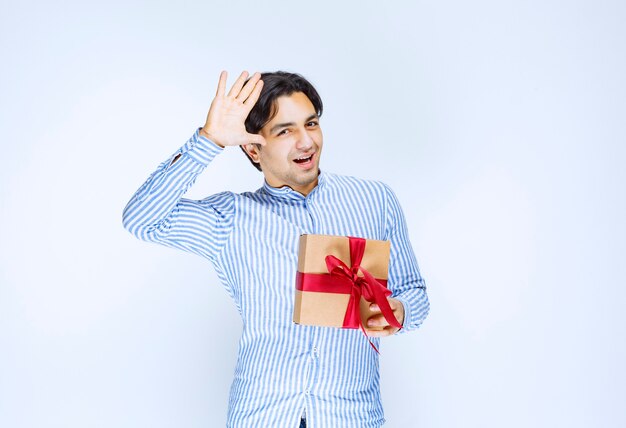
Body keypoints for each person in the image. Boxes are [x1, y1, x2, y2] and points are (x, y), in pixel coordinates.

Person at [122, 70, 430, 427]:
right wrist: (209, 141)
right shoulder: (232, 219)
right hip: (264, 415)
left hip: (352, 415)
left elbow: (414, 293)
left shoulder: (375, 201)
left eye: (311, 124)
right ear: (253, 148)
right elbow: (142, 219)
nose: (306, 142)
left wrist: (399, 311)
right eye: (285, 131)